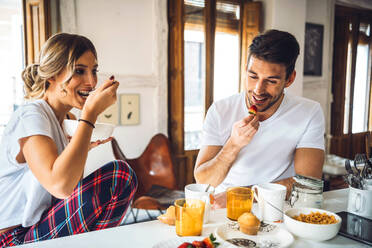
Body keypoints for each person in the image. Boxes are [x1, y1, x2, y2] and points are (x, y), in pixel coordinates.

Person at [0, 33, 137, 247]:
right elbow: (60, 186)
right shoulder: (31, 115)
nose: (91, 82)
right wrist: (89, 116)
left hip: (40, 226)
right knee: (119, 174)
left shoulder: (67, 119)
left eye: (94, 71)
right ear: (52, 75)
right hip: (12, 238)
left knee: (122, 178)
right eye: (79, 71)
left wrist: (80, 146)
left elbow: (70, 189)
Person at [194, 29, 325, 207]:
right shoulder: (220, 110)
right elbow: (203, 181)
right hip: (221, 209)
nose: (258, 89)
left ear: (289, 79)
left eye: (271, 81)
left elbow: (308, 182)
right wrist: (233, 145)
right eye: (253, 76)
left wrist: (243, 195)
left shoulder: (309, 112)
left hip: (278, 208)